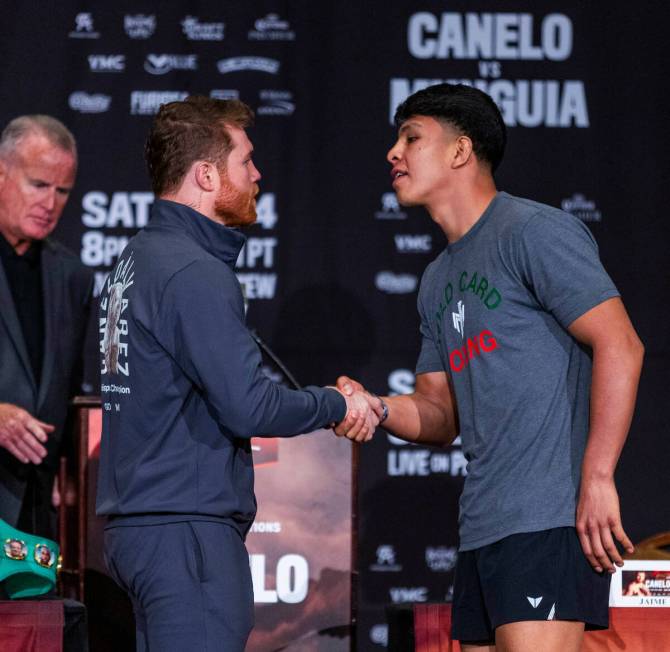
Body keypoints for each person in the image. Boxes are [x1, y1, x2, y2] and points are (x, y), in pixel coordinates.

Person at [335, 83, 644, 652]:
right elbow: (438, 413)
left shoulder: (533, 231)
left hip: (547, 518)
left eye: (411, 137)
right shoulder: (436, 279)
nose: (392, 153)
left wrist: (598, 479)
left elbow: (622, 345)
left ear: (460, 151)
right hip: (482, 527)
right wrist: (376, 407)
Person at [96, 96, 380, 652]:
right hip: (185, 533)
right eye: (245, 160)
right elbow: (248, 405)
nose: (257, 173)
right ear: (206, 173)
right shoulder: (193, 270)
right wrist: (335, 404)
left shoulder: (138, 257)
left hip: (147, 529)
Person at [0, 115, 93, 541]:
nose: (51, 203)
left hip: (37, 515)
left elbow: (70, 389)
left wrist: (66, 472)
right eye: (39, 185)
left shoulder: (72, 275)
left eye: (63, 191)